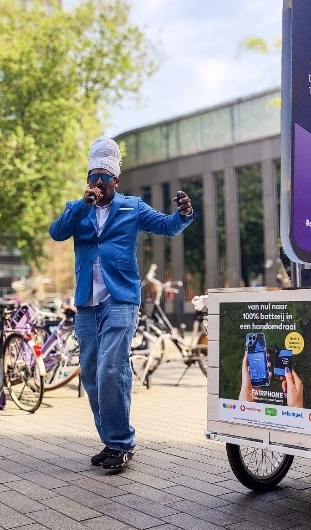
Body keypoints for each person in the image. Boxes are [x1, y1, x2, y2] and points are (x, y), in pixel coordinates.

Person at [49, 136, 195, 471]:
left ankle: (121, 443)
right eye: (93, 176)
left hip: (120, 299)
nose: (99, 182)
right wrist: (83, 205)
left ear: (116, 179)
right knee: (91, 373)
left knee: (112, 369)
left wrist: (183, 214)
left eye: (105, 176)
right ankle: (111, 440)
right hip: (87, 302)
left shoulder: (132, 207)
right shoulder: (77, 207)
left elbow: (166, 226)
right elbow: (57, 233)